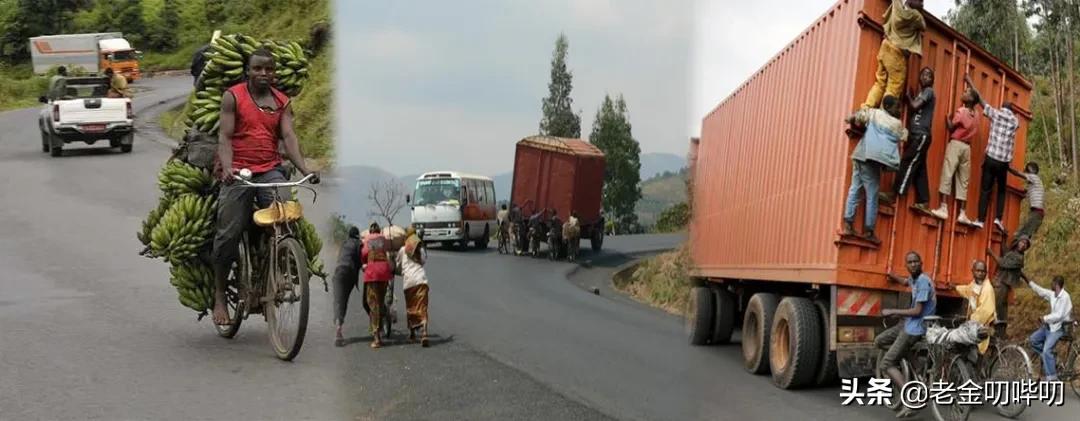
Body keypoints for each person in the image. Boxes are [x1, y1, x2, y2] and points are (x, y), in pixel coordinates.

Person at [210, 47, 320, 326]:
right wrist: (229, 167)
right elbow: (224, 137)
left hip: (270, 170)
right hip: (240, 172)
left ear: (274, 73)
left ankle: (281, 268)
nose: (263, 74)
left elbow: (289, 137)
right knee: (228, 233)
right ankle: (220, 294)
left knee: (286, 217)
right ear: (248, 70)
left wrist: (306, 169)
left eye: (268, 69)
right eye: (257, 68)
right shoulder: (233, 96)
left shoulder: (282, 101)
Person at [876, 251, 936, 418]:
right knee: (879, 341)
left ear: (921, 262)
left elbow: (917, 311)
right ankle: (914, 363)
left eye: (916, 261)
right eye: (909, 262)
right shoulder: (915, 279)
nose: (913, 264)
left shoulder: (923, 281)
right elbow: (905, 282)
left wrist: (893, 311)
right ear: (907, 265)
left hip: (915, 328)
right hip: (907, 324)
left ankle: (911, 400)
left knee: (886, 364)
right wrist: (892, 275)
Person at [843, 95, 907, 244]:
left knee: (854, 190)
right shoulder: (897, 123)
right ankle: (869, 231)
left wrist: (850, 119)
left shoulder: (874, 113)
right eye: (896, 107)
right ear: (888, 107)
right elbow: (903, 136)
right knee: (872, 195)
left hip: (860, 155)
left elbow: (858, 116)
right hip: (872, 160)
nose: (899, 109)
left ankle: (848, 224)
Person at [962, 74, 1021, 230]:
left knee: (985, 189)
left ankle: (980, 220)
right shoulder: (1015, 121)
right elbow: (1018, 121)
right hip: (1003, 163)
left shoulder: (996, 113)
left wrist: (970, 81)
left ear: (1002, 107)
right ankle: (998, 219)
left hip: (990, 159)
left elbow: (980, 100)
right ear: (1012, 111)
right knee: (1001, 190)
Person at [880, 67, 935, 215]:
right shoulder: (921, 93)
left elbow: (914, 106)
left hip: (921, 135)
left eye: (929, 75)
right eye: (923, 74)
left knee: (906, 162)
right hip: (916, 136)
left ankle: (893, 194)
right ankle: (923, 201)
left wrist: (908, 97)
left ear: (932, 80)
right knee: (920, 167)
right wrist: (912, 97)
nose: (925, 77)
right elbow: (915, 109)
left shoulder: (929, 92)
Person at [929, 87, 981, 225]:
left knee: (948, 173)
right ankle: (962, 213)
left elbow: (951, 127)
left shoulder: (962, 111)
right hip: (967, 148)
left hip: (956, 144)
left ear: (970, 99)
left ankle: (943, 208)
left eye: (966, 93)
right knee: (963, 180)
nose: (963, 93)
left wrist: (947, 118)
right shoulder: (976, 114)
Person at [862, 0, 927, 109]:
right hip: (897, 53)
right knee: (894, 87)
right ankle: (883, 115)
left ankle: (866, 108)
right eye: (920, 0)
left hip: (885, 46)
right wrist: (920, 10)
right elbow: (923, 26)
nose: (922, 4)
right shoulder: (916, 16)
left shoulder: (896, 5)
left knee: (880, 83)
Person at [1022, 274, 1073, 381]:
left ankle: (1052, 379)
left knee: (1046, 351)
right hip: (1049, 327)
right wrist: (1027, 279)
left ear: (1056, 284)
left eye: (1052, 283)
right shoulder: (1053, 294)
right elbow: (1040, 291)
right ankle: (1051, 358)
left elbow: (1059, 315)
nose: (1050, 284)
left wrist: (1044, 318)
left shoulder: (1065, 297)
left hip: (1059, 328)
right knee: (1033, 340)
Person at [986, 235, 1030, 337]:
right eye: (1022, 242)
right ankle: (1000, 332)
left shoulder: (1019, 259)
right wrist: (1003, 239)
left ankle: (999, 331)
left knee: (999, 306)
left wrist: (991, 253)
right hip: (1001, 282)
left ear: (1026, 248)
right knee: (1000, 306)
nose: (1023, 245)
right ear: (1018, 242)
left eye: (1025, 244)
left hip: (1003, 284)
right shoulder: (1013, 253)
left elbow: (1003, 263)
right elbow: (1005, 253)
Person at [951, 260, 996, 355]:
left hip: (983, 326)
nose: (980, 273)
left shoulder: (987, 289)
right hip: (974, 324)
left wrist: (969, 321)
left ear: (986, 273)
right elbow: (967, 290)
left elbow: (985, 311)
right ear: (973, 271)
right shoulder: (975, 284)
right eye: (978, 271)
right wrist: (955, 287)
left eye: (983, 271)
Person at [361, 221, 394, 348]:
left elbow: (363, 254)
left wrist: (364, 263)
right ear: (379, 231)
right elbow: (388, 251)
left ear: (370, 231)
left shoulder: (367, 239)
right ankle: (380, 324)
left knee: (372, 303)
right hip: (384, 273)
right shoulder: (384, 239)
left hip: (372, 274)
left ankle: (377, 337)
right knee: (380, 302)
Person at [397, 226, 431, 347]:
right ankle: (425, 332)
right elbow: (423, 261)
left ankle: (412, 334)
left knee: (411, 307)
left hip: (409, 283)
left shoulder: (402, 250)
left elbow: (398, 266)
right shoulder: (420, 247)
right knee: (423, 307)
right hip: (421, 279)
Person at [332, 226, 362, 347]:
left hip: (338, 271)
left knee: (337, 299)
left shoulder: (343, 243)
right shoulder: (359, 243)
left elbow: (339, 258)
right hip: (350, 272)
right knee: (343, 300)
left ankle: (337, 324)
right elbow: (360, 260)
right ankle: (339, 328)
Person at [1007, 162, 1045, 239]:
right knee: (1025, 234)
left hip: (1036, 212)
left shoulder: (1034, 177)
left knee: (1022, 235)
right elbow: (1023, 194)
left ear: (1030, 170)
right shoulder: (1035, 184)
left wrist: (1006, 167)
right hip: (1036, 212)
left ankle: (1010, 249)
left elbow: (1017, 173)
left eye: (1026, 170)